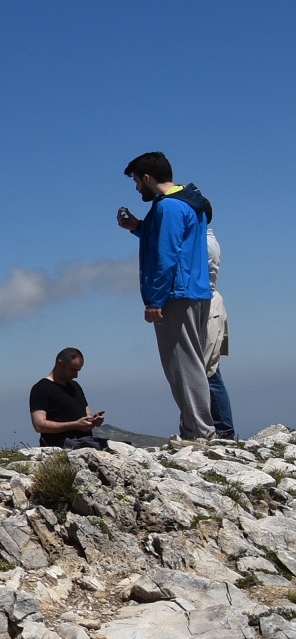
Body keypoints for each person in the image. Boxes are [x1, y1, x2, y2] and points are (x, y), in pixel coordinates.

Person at [116, 152, 213, 443]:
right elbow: (172, 239)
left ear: (147, 178)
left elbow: (167, 254)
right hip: (194, 290)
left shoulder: (168, 207)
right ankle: (194, 428)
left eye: (136, 181)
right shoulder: (185, 200)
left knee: (182, 365)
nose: (136, 188)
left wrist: (155, 300)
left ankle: (200, 433)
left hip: (175, 293)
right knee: (189, 362)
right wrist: (138, 227)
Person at [30, 349, 106, 450]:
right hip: (59, 444)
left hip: (84, 440)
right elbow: (39, 425)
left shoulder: (75, 386)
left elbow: (87, 414)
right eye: (73, 370)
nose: (76, 376)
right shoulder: (41, 388)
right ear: (60, 363)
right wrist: (75, 425)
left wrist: (92, 421)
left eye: (78, 371)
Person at [206, 230, 234, 440]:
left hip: (207, 308)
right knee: (207, 369)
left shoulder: (203, 242)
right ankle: (220, 427)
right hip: (209, 306)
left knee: (208, 370)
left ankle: (223, 429)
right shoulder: (206, 240)